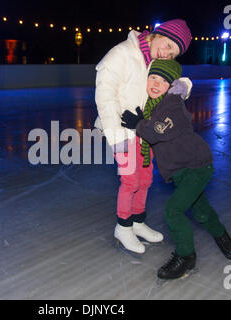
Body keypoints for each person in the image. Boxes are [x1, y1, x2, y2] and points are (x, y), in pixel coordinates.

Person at [121, 59, 231, 280]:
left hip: (195, 167)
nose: (157, 84)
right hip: (181, 171)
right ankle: (223, 237)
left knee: (173, 211)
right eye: (153, 77)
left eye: (164, 81)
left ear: (171, 86)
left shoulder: (172, 104)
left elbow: (157, 130)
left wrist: (139, 124)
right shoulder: (153, 104)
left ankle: (186, 257)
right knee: (200, 211)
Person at [94, 19, 193, 254]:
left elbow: (172, 76)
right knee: (130, 181)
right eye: (169, 44)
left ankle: (137, 222)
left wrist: (183, 86)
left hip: (143, 131)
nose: (168, 54)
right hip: (120, 131)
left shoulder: (155, 60)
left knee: (146, 179)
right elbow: (105, 95)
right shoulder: (122, 53)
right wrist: (116, 136)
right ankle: (123, 226)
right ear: (159, 34)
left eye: (174, 52)